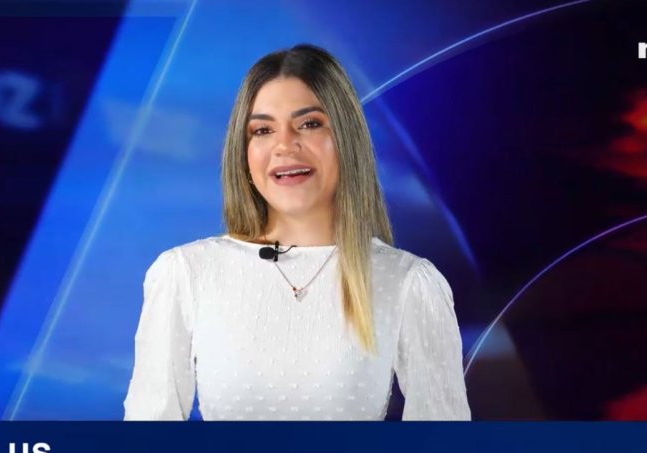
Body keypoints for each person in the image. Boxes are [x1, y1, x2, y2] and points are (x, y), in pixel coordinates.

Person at [123, 44, 470, 421]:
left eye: (309, 123)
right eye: (262, 130)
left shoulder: (408, 283)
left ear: (346, 139)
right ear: (244, 153)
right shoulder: (185, 273)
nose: (284, 146)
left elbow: (444, 450)